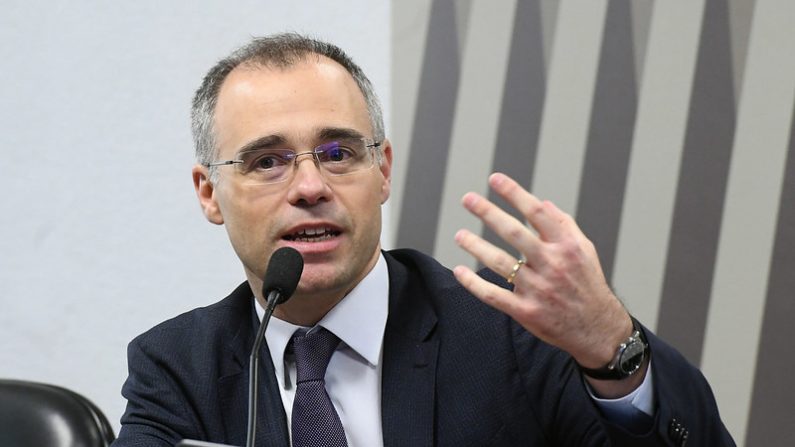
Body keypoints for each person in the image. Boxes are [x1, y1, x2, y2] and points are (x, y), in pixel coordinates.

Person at [113, 33, 734, 446]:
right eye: (267, 162)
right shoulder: (178, 368)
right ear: (208, 194)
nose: (309, 186)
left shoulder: (510, 329)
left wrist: (609, 345)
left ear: (382, 171)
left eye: (338, 152)